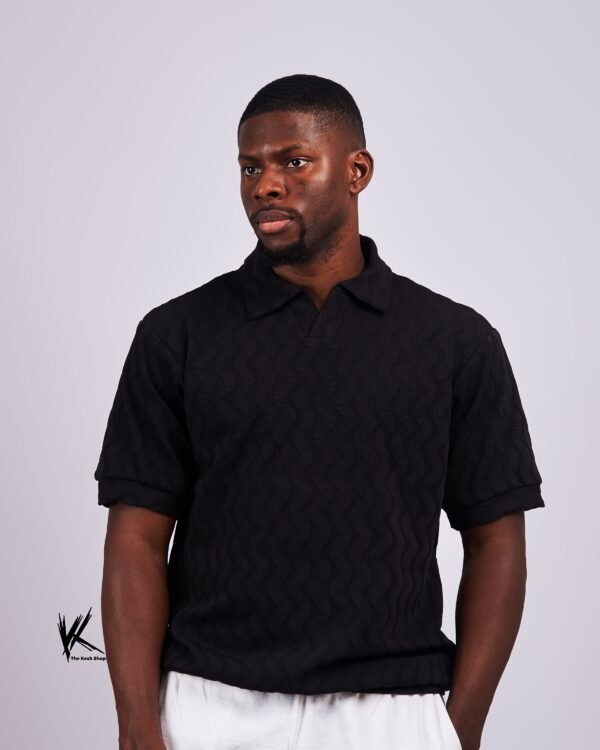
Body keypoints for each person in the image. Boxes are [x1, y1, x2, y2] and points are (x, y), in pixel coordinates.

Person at [94, 74, 545, 750]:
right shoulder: (176, 336)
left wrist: (461, 727)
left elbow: (496, 540)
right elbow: (135, 539)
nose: (265, 186)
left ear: (357, 171)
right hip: (209, 706)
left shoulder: (455, 341)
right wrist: (137, 725)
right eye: (250, 167)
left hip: (394, 711)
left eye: (294, 161)